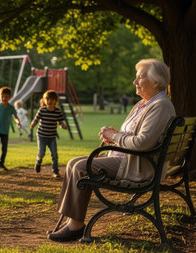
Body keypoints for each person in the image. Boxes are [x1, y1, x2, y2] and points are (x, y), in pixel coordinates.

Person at [47, 58, 176, 242]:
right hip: (129, 158)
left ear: (156, 81)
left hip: (136, 166)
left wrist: (114, 137)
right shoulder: (145, 104)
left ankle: (75, 226)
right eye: (136, 77)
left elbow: (142, 143)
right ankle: (70, 221)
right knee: (73, 163)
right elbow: (136, 136)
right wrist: (115, 134)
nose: (135, 82)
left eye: (140, 77)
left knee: (80, 167)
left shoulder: (160, 105)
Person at [30, 91, 68, 178]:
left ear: (56, 101)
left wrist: (63, 126)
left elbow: (60, 122)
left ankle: (55, 171)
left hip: (51, 138)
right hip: (41, 136)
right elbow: (36, 119)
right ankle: (38, 161)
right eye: (47, 99)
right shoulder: (42, 110)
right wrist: (33, 124)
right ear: (44, 100)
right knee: (41, 153)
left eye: (52, 99)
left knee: (54, 155)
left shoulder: (57, 112)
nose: (50, 101)